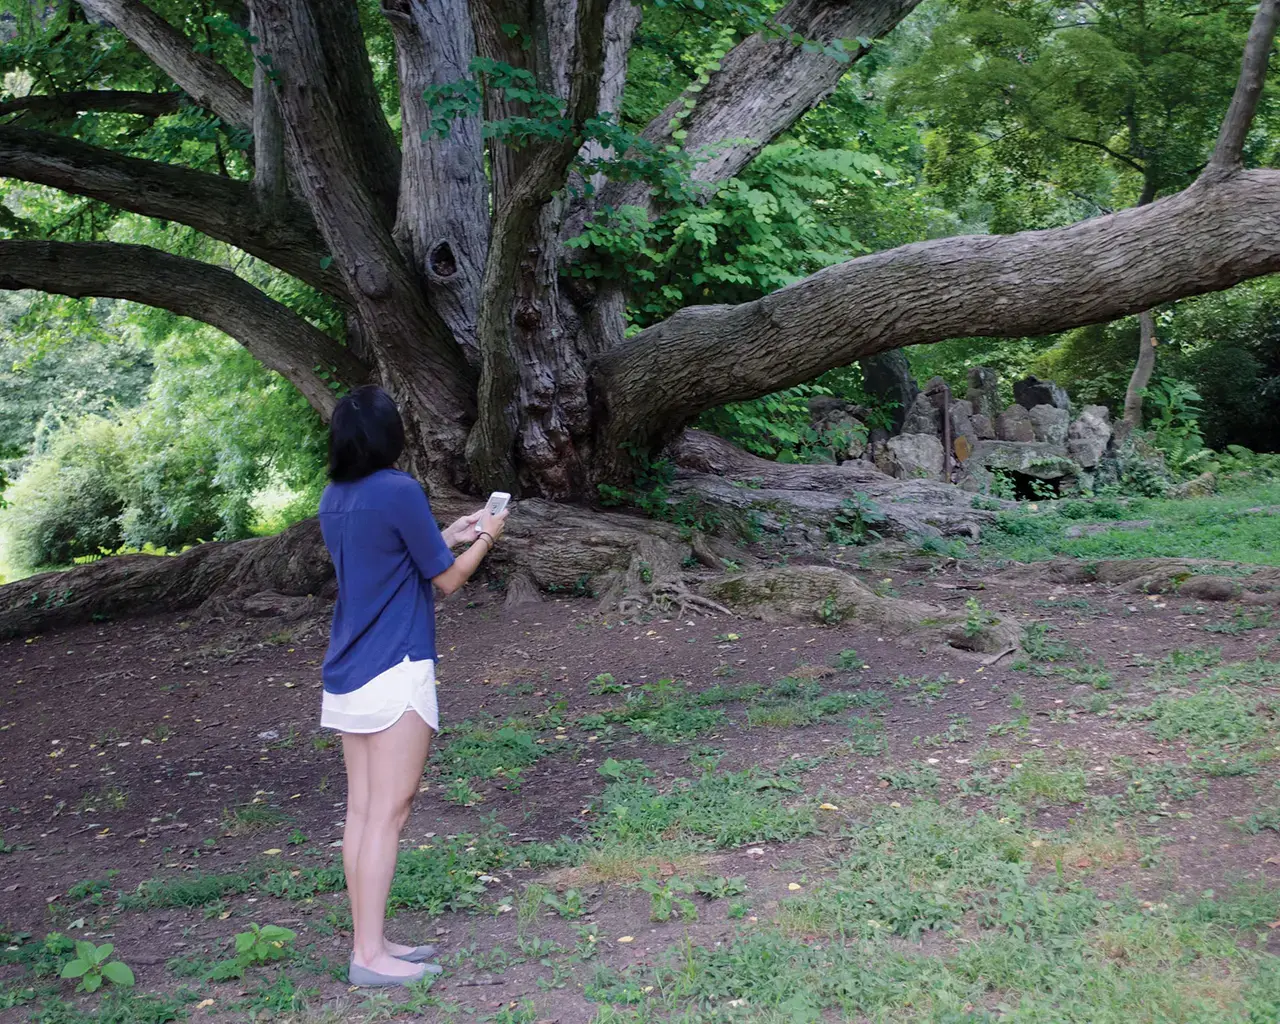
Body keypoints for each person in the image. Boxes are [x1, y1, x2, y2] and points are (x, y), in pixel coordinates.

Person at [317, 385, 507, 987]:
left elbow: (393, 559)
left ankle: (371, 943)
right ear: (389, 434)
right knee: (389, 816)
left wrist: (446, 531)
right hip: (395, 667)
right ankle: (369, 960)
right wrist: (487, 536)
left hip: (346, 672)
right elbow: (447, 581)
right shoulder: (398, 490)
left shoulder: (334, 497)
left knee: (362, 813)